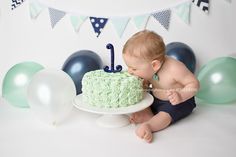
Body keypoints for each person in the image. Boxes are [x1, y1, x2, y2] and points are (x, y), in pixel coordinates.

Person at [122, 30, 200, 143]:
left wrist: (181, 95)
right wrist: (143, 84)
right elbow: (148, 81)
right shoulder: (148, 67)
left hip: (177, 102)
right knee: (143, 97)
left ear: (155, 65)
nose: (130, 71)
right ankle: (147, 113)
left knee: (166, 114)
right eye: (128, 67)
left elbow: (194, 84)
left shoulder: (175, 68)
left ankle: (150, 125)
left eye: (134, 69)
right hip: (156, 97)